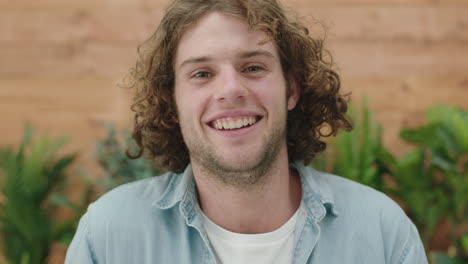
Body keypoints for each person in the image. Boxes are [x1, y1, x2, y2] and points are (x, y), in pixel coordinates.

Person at [65, 0, 428, 263]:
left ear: (292, 90)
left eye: (253, 67)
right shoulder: (109, 235)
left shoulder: (381, 231)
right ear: (172, 103)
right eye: (202, 74)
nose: (230, 90)